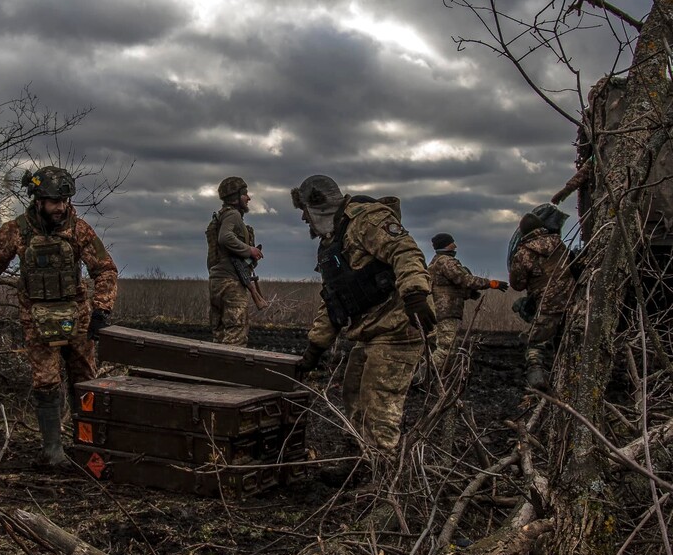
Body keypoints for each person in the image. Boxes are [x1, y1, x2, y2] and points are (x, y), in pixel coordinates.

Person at [0, 166, 118, 467]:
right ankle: (53, 452)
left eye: (64, 201)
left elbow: (105, 269)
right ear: (38, 200)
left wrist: (102, 309)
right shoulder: (17, 230)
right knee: (46, 383)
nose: (61, 207)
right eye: (54, 201)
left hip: (77, 318)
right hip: (36, 319)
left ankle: (87, 446)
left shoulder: (79, 229)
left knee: (85, 381)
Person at [292, 175, 436, 460]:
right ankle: (359, 461)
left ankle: (382, 480)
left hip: (396, 330)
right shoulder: (333, 241)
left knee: (378, 407)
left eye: (304, 212)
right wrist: (314, 349)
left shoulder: (367, 220)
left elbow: (405, 252)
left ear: (317, 205)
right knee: (353, 395)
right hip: (370, 331)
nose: (304, 220)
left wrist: (415, 294)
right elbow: (334, 299)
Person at [508, 212, 575, 390]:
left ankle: (537, 382)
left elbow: (517, 284)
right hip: (572, 300)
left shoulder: (523, 253)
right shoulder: (557, 243)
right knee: (565, 341)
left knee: (535, 344)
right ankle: (568, 381)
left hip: (547, 304)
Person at [428, 233, 508, 371]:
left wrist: (467, 293)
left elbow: (452, 285)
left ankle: (434, 380)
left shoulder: (435, 262)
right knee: (446, 350)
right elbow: (465, 279)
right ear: (447, 244)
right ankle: (420, 377)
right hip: (446, 311)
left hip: (440, 310)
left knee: (447, 349)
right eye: (452, 242)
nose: (455, 245)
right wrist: (492, 283)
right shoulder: (446, 262)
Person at [206, 176, 263, 347]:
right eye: (245, 194)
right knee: (235, 337)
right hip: (231, 282)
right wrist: (250, 250)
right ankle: (229, 372)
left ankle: (215, 372)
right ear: (235, 197)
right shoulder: (233, 215)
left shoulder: (220, 216)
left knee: (220, 335)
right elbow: (225, 238)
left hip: (217, 282)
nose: (248, 198)